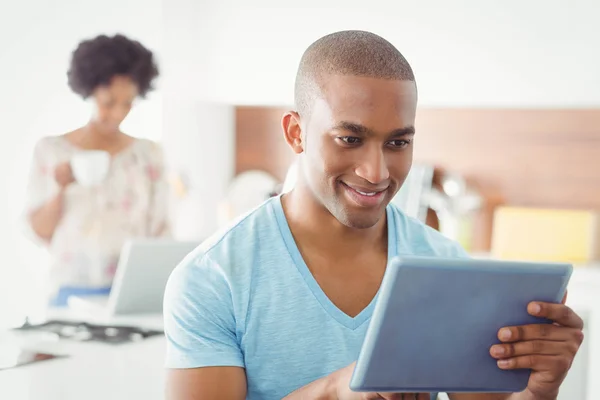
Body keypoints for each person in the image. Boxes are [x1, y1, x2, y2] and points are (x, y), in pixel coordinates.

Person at [163, 30, 584, 400]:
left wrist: (537, 391)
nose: (376, 173)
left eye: (398, 144)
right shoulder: (211, 277)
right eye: (349, 138)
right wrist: (333, 392)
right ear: (296, 133)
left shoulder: (443, 264)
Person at [24, 33, 170, 306]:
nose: (117, 113)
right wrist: (60, 190)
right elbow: (39, 232)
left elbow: (161, 233)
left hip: (131, 295)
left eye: (127, 103)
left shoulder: (148, 155)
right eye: (109, 102)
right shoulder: (52, 151)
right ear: (90, 91)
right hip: (68, 293)